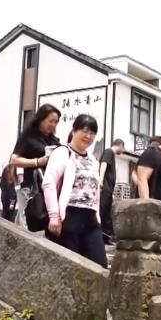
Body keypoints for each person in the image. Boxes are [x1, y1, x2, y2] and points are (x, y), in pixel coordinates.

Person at [41, 114, 107, 268]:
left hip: (90, 218)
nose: (88, 136)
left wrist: (98, 216)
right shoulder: (63, 152)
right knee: (71, 266)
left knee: (99, 264)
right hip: (69, 216)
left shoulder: (93, 161)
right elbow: (49, 183)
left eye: (92, 133)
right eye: (84, 131)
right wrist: (54, 216)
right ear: (74, 130)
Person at [9, 104, 61, 228]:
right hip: (31, 188)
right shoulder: (28, 137)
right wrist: (37, 162)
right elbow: (14, 160)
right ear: (41, 119)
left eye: (56, 122)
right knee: (29, 220)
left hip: (50, 187)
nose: (53, 125)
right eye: (51, 121)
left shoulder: (54, 140)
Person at [99, 139, 125, 244]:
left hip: (109, 189)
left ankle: (106, 237)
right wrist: (101, 179)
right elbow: (104, 164)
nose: (123, 150)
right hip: (105, 187)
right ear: (120, 145)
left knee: (106, 212)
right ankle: (102, 236)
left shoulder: (111, 154)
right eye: (123, 148)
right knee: (103, 211)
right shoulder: (109, 152)